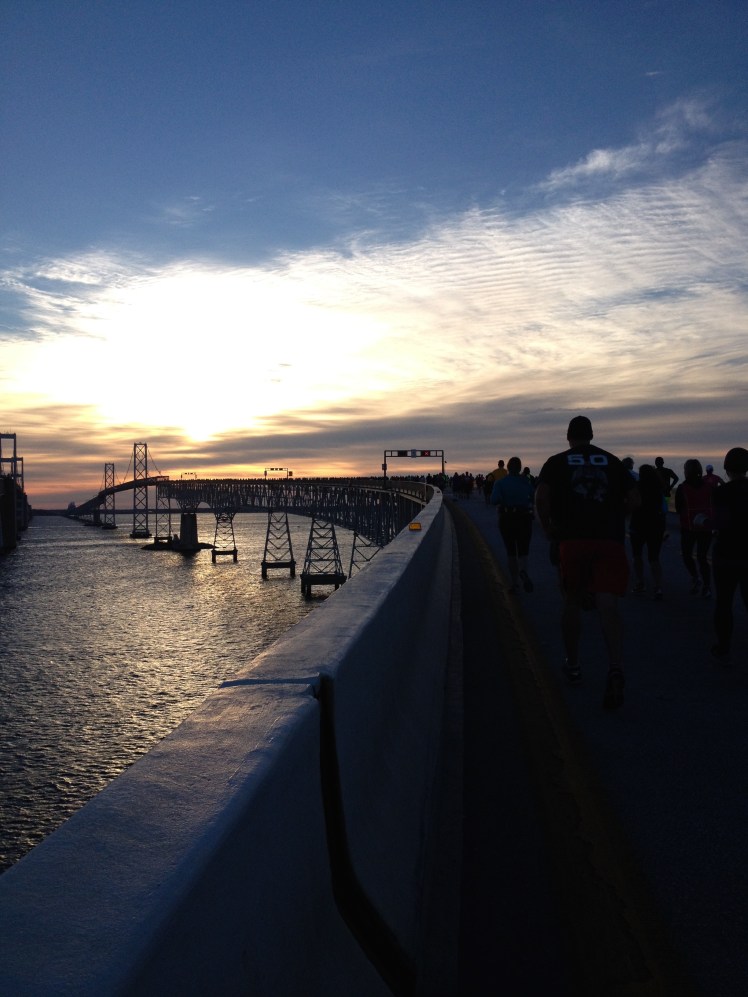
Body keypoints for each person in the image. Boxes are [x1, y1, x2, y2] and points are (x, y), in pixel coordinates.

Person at [535, 416, 639, 709]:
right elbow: (635, 498)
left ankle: (573, 664)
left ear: (568, 436)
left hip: (573, 540)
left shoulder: (556, 462)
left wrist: (548, 528)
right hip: (609, 541)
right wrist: (619, 519)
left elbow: (542, 498)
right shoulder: (612, 461)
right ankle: (615, 666)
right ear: (592, 435)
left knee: (571, 601)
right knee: (608, 604)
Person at [711, 447, 748, 664]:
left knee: (724, 603)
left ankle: (724, 647)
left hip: (726, 554)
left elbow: (721, 523)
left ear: (727, 467)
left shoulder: (721, 492)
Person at [490, 455, 535, 593]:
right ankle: (523, 571)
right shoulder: (526, 482)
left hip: (507, 518)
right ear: (520, 468)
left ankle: (515, 583)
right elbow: (533, 497)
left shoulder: (500, 483)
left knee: (511, 551)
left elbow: (494, 500)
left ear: (508, 467)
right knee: (523, 550)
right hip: (524, 517)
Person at [674, 460, 714, 597]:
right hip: (705, 526)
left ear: (686, 471)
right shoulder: (709, 487)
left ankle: (695, 576)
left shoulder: (682, 488)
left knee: (687, 555)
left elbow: (678, 508)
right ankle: (707, 587)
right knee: (703, 557)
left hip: (688, 527)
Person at [629, 464, 666, 600]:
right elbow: (663, 507)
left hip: (638, 524)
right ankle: (658, 586)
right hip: (656, 525)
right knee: (654, 557)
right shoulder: (658, 488)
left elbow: (632, 505)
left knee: (637, 555)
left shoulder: (637, 487)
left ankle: (640, 582)